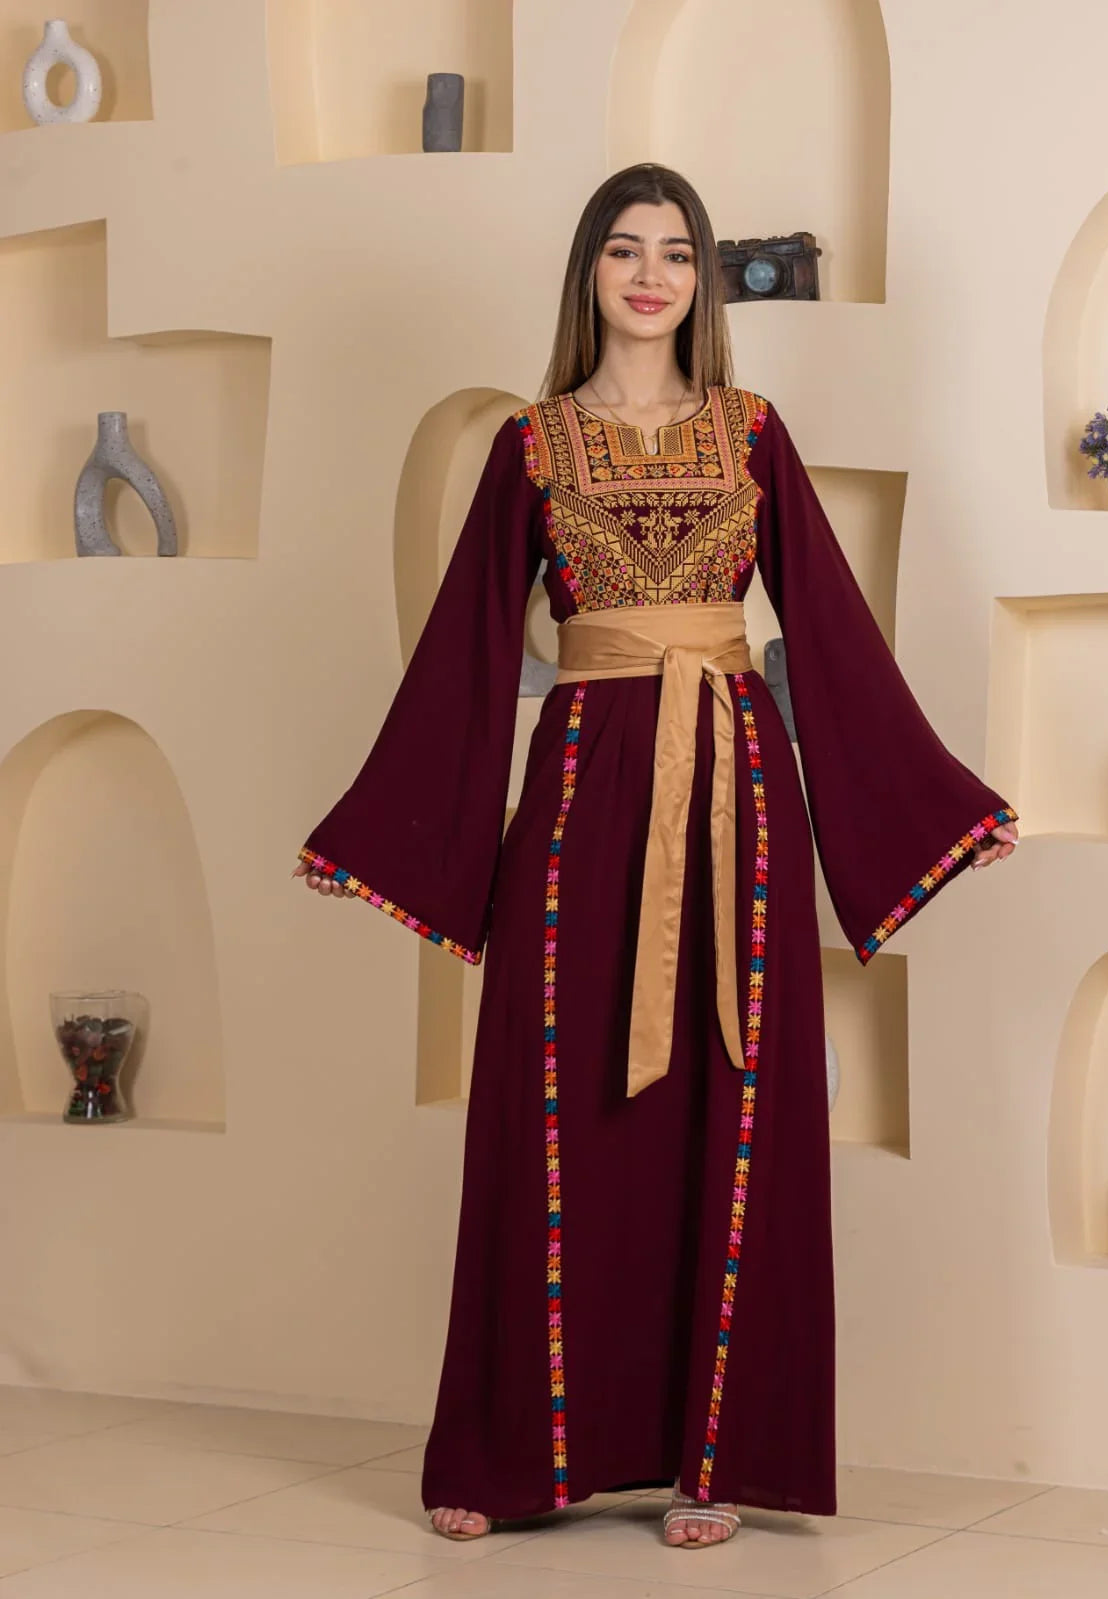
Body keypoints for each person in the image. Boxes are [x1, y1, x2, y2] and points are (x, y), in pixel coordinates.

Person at [294, 162, 1019, 1550]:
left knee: (729, 1114)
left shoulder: (754, 432)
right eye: (623, 250)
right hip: (576, 804)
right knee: (549, 1109)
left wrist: (935, 803)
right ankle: (519, 1456)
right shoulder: (531, 444)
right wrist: (375, 834)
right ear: (588, 274)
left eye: (675, 252)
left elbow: (835, 637)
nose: (649, 274)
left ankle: (713, 1462)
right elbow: (461, 652)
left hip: (736, 792)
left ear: (702, 280)